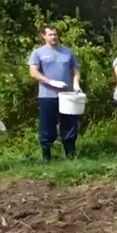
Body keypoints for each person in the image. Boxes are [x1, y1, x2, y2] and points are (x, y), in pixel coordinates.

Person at [27, 24, 83, 162]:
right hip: (47, 95)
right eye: (50, 35)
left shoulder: (67, 52)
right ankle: (47, 156)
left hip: (67, 95)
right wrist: (50, 82)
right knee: (47, 125)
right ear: (44, 36)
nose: (53, 37)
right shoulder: (38, 53)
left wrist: (76, 84)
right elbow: (33, 72)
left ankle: (70, 155)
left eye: (55, 34)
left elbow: (75, 70)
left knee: (69, 124)